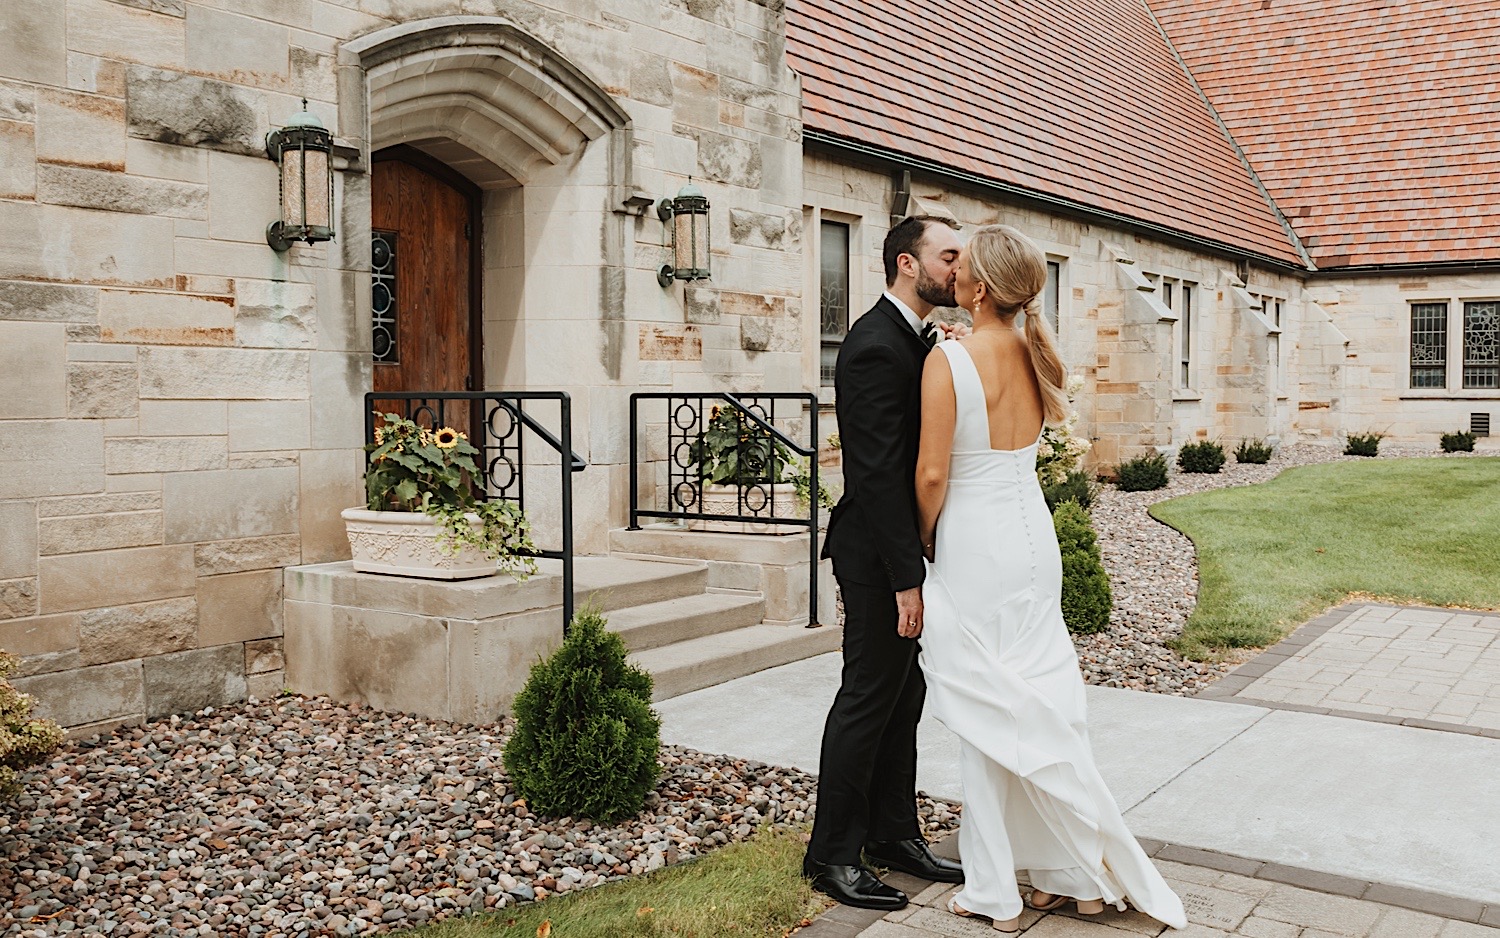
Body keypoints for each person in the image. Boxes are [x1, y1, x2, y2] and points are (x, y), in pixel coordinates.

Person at [913, 225, 1187, 932]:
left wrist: (921, 541)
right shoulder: (1037, 358)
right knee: (1039, 699)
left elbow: (934, 472)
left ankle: (994, 892)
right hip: (1032, 541)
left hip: (974, 542)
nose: (954, 277)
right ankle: (1077, 880)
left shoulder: (950, 361)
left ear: (977, 288)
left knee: (985, 711)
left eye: (961, 268)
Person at [804, 216, 967, 911]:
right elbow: (874, 475)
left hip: (898, 551)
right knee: (868, 701)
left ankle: (894, 835)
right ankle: (832, 856)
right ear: (908, 263)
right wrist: (908, 579)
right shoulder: (873, 344)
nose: (959, 269)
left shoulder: (916, 335)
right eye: (948, 256)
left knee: (907, 698)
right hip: (875, 556)